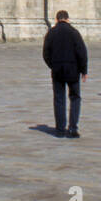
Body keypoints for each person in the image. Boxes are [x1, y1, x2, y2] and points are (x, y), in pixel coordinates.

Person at [42, 10, 88, 138]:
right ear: (67, 19)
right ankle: (73, 128)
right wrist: (84, 70)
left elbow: (45, 53)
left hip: (57, 70)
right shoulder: (74, 32)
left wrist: (53, 65)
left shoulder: (51, 33)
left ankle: (60, 129)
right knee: (75, 98)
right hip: (73, 70)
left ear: (56, 19)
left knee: (59, 98)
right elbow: (82, 52)